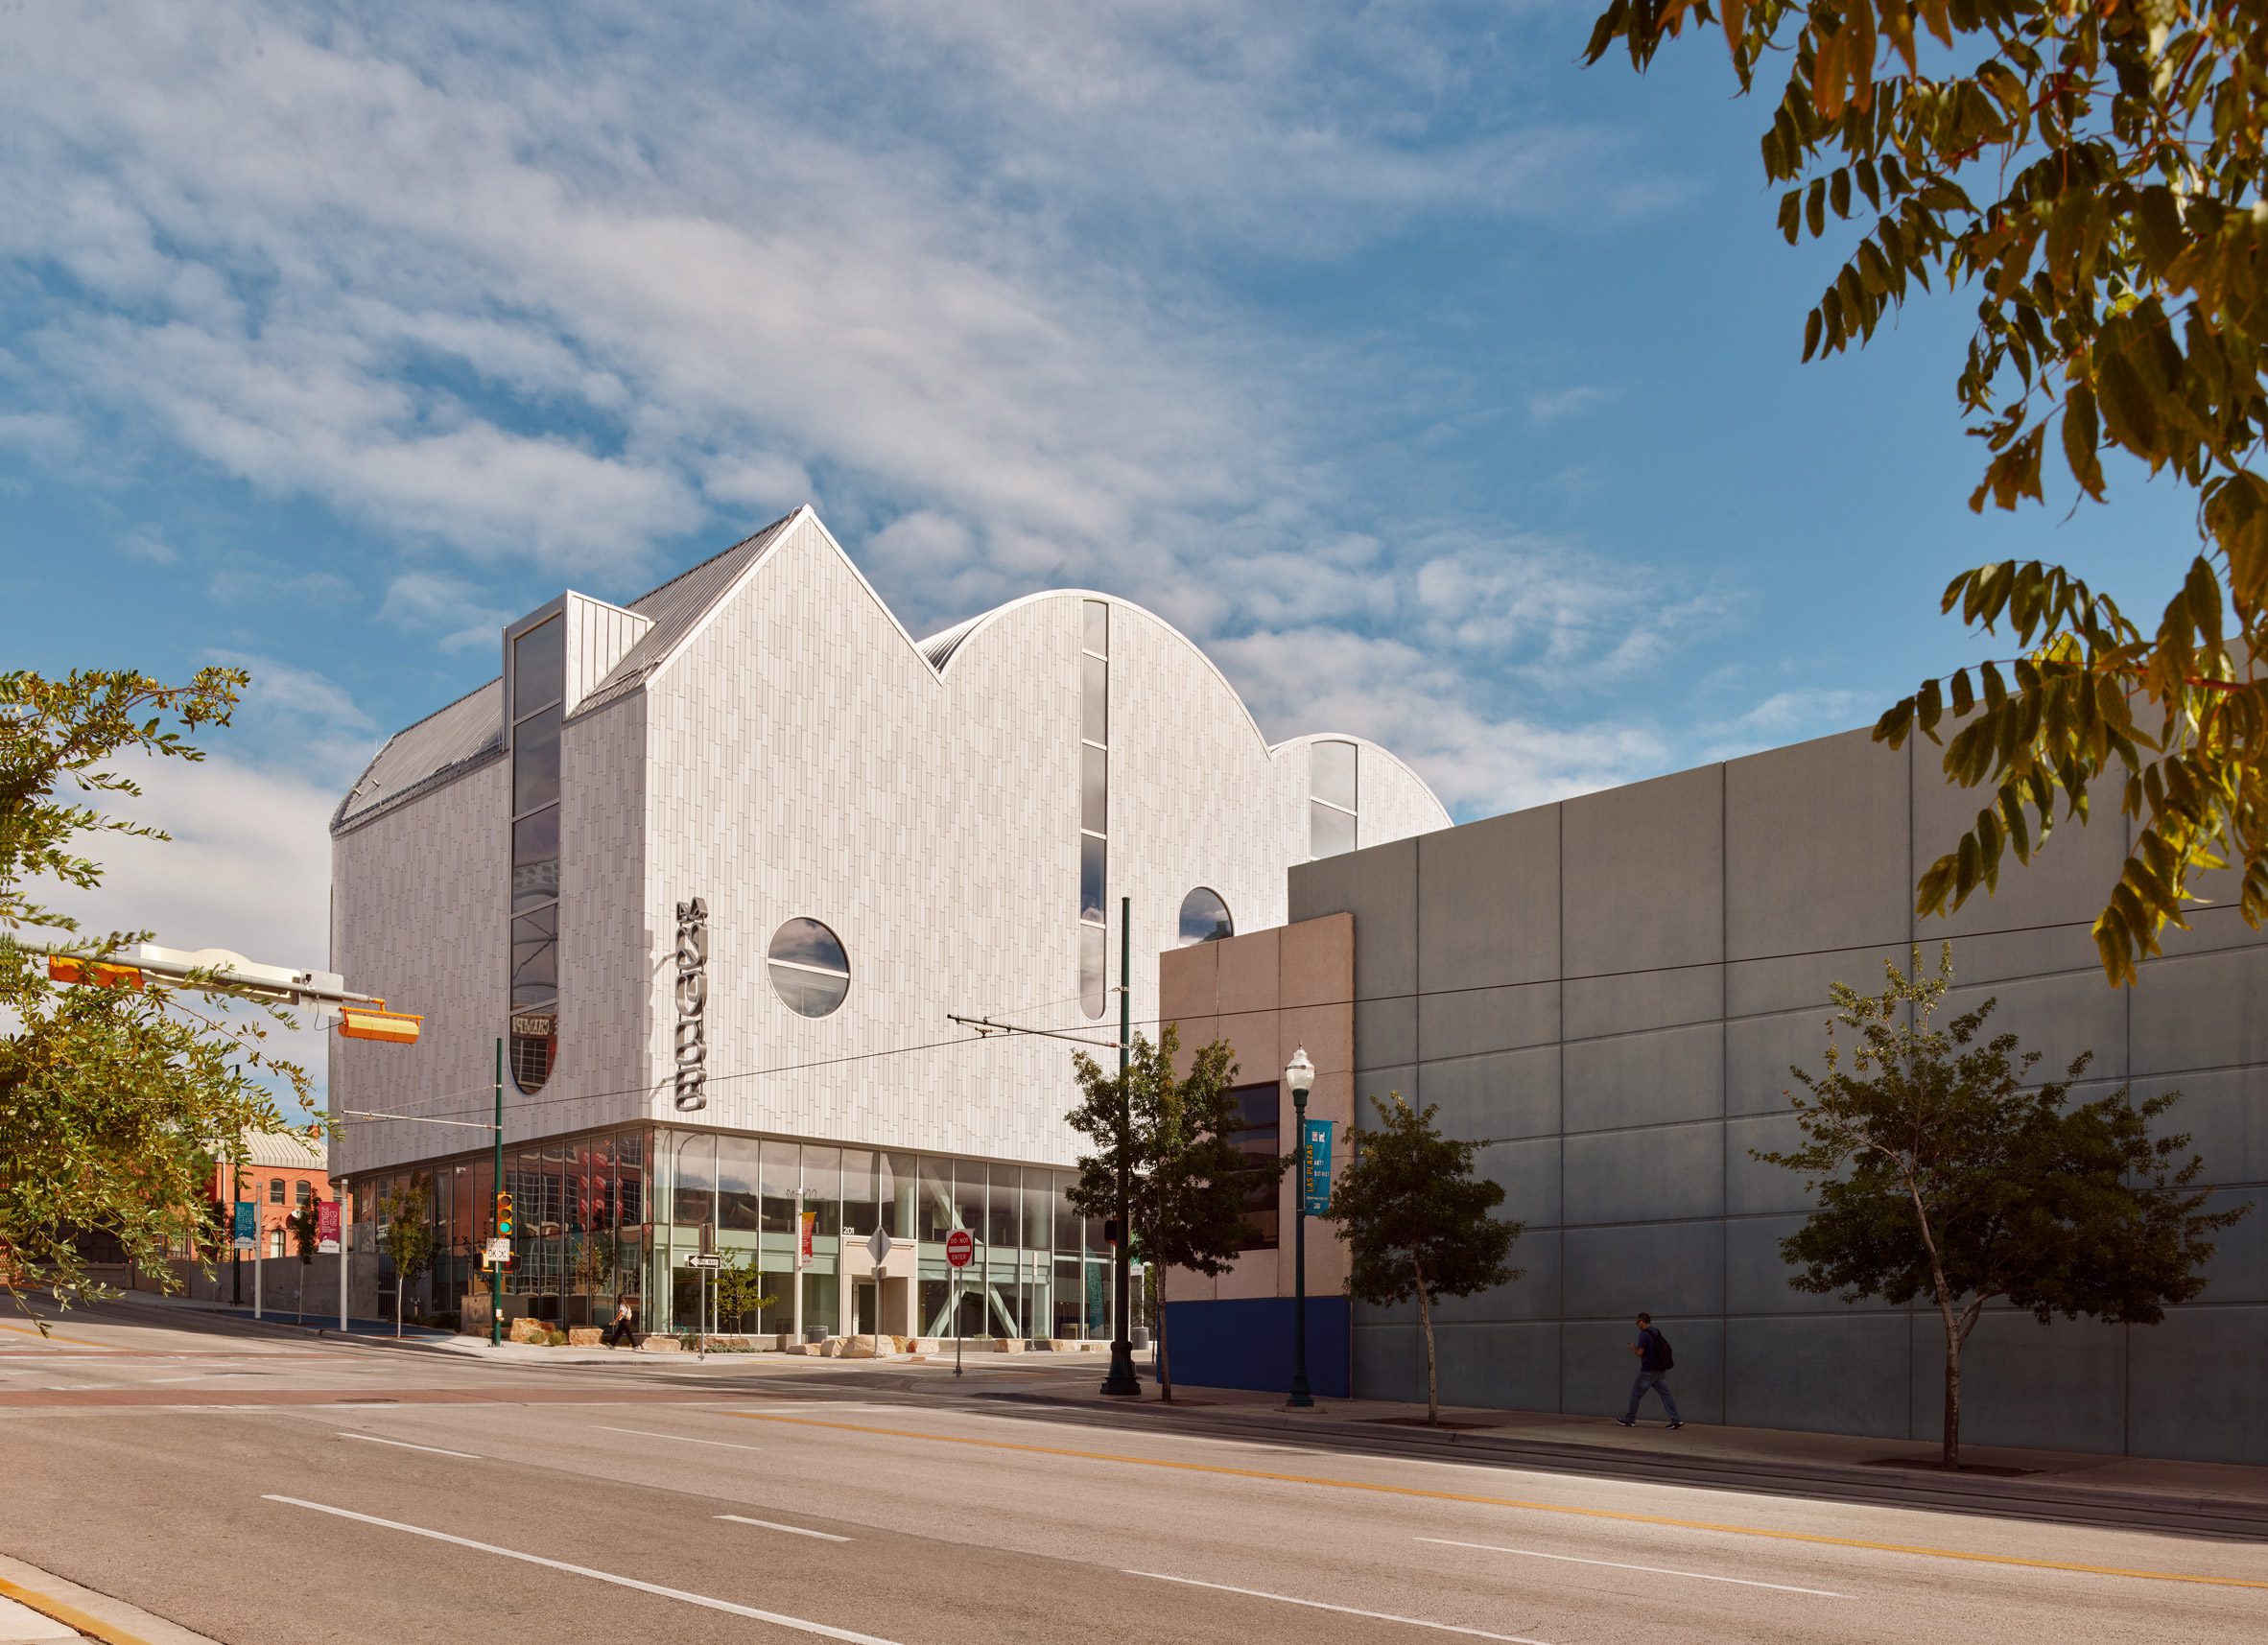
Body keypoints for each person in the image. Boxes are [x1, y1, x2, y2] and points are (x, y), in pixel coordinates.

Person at [1617, 1311, 1681, 1429]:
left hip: (1648, 1371)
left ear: (1642, 1321)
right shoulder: (1656, 1331)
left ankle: (1630, 1419)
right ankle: (1676, 1419)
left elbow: (1640, 1353)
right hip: (1660, 1371)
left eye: (1637, 1322)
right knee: (1666, 1395)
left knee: (1635, 1393)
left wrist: (1633, 1348)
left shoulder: (1643, 1335)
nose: (1637, 1325)